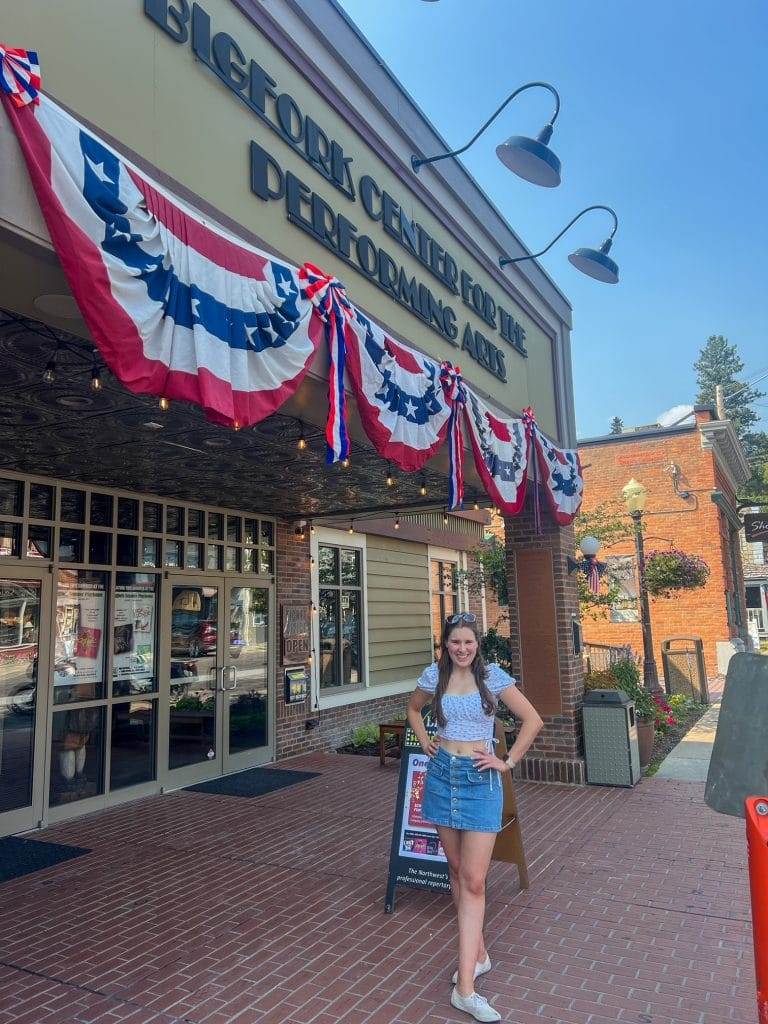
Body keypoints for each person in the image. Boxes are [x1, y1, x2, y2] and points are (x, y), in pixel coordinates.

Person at [406, 612, 543, 1023]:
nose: (461, 649)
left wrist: (508, 761)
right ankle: (478, 955)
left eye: (468, 642)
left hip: (480, 780)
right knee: (454, 868)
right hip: (442, 774)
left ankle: (465, 989)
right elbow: (413, 709)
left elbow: (532, 720)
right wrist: (427, 739)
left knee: (475, 880)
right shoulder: (435, 676)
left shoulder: (493, 677)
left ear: (477, 643)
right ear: (444, 645)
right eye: (454, 643)